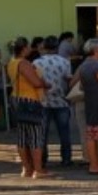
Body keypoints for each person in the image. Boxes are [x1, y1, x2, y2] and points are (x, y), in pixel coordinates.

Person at [8, 37, 51, 179]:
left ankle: (26, 168)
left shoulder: (11, 63)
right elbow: (36, 82)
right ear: (23, 48)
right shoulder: (24, 63)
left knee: (22, 136)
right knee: (35, 136)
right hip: (30, 100)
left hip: (16, 99)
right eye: (27, 47)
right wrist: (45, 84)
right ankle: (38, 169)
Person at [73, 39, 98, 174]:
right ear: (96, 50)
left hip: (90, 102)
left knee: (91, 135)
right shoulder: (96, 66)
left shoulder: (84, 65)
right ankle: (96, 165)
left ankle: (94, 164)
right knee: (95, 136)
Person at [35, 36, 73, 168]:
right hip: (61, 101)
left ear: (44, 47)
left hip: (43, 101)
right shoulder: (65, 62)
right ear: (57, 47)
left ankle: (43, 159)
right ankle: (66, 159)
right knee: (64, 132)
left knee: (42, 133)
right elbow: (69, 81)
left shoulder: (36, 63)